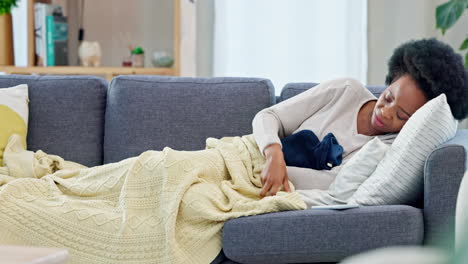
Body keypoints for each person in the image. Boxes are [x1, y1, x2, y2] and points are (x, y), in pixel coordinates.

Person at [253, 38, 468, 198]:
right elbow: (269, 116)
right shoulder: (347, 90)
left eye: (401, 116)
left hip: (257, 179)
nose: (385, 112)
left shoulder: (386, 149)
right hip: (249, 153)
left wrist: (267, 174)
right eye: (388, 97)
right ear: (391, 79)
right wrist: (273, 155)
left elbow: (331, 183)